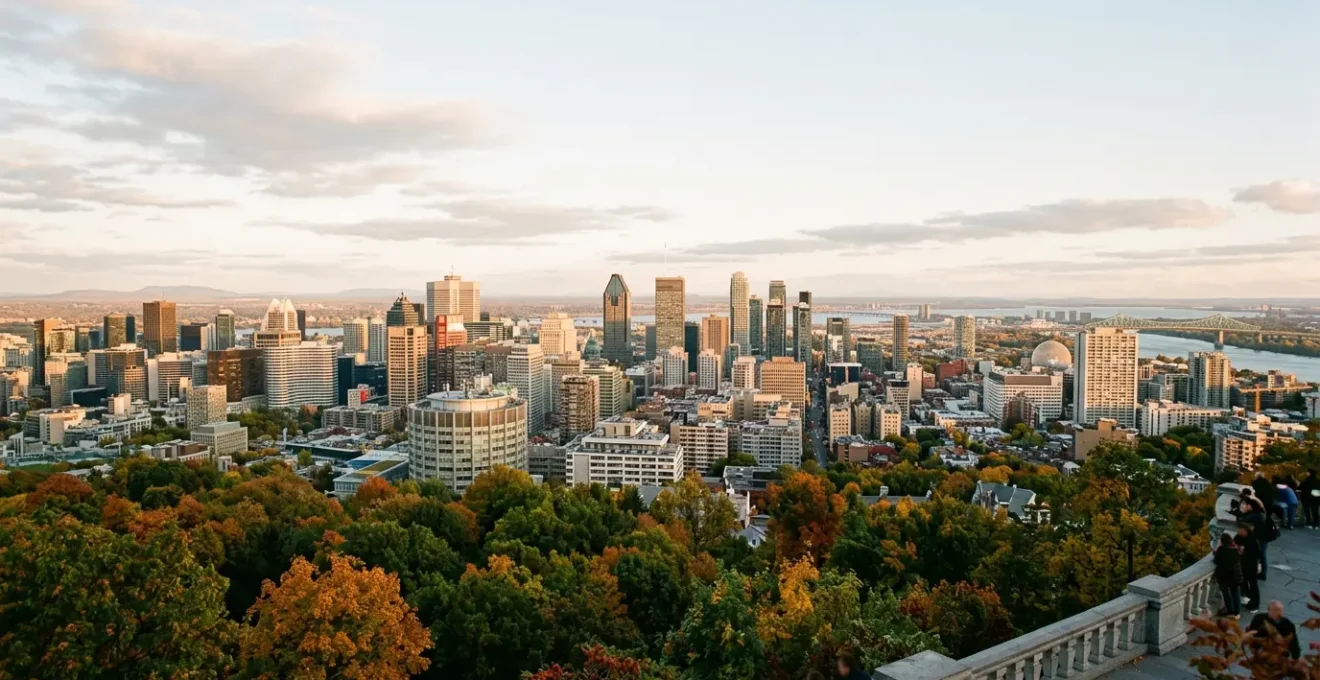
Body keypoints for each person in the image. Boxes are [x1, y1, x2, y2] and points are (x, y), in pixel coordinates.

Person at [1213, 532, 1243, 618]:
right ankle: (1237, 613)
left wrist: (1215, 553)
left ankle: (1230, 612)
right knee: (1235, 594)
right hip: (1235, 576)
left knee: (1226, 595)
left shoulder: (1221, 550)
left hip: (1223, 576)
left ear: (1222, 541)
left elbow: (1216, 561)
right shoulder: (1235, 550)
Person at [1235, 524, 1262, 612]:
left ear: (1245, 531)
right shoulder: (1239, 537)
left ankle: (1255, 605)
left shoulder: (1253, 540)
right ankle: (1249, 599)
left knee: (1253, 585)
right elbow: (1233, 544)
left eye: (1240, 530)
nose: (1239, 532)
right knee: (1243, 583)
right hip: (1242, 565)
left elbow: (1257, 554)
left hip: (1251, 566)